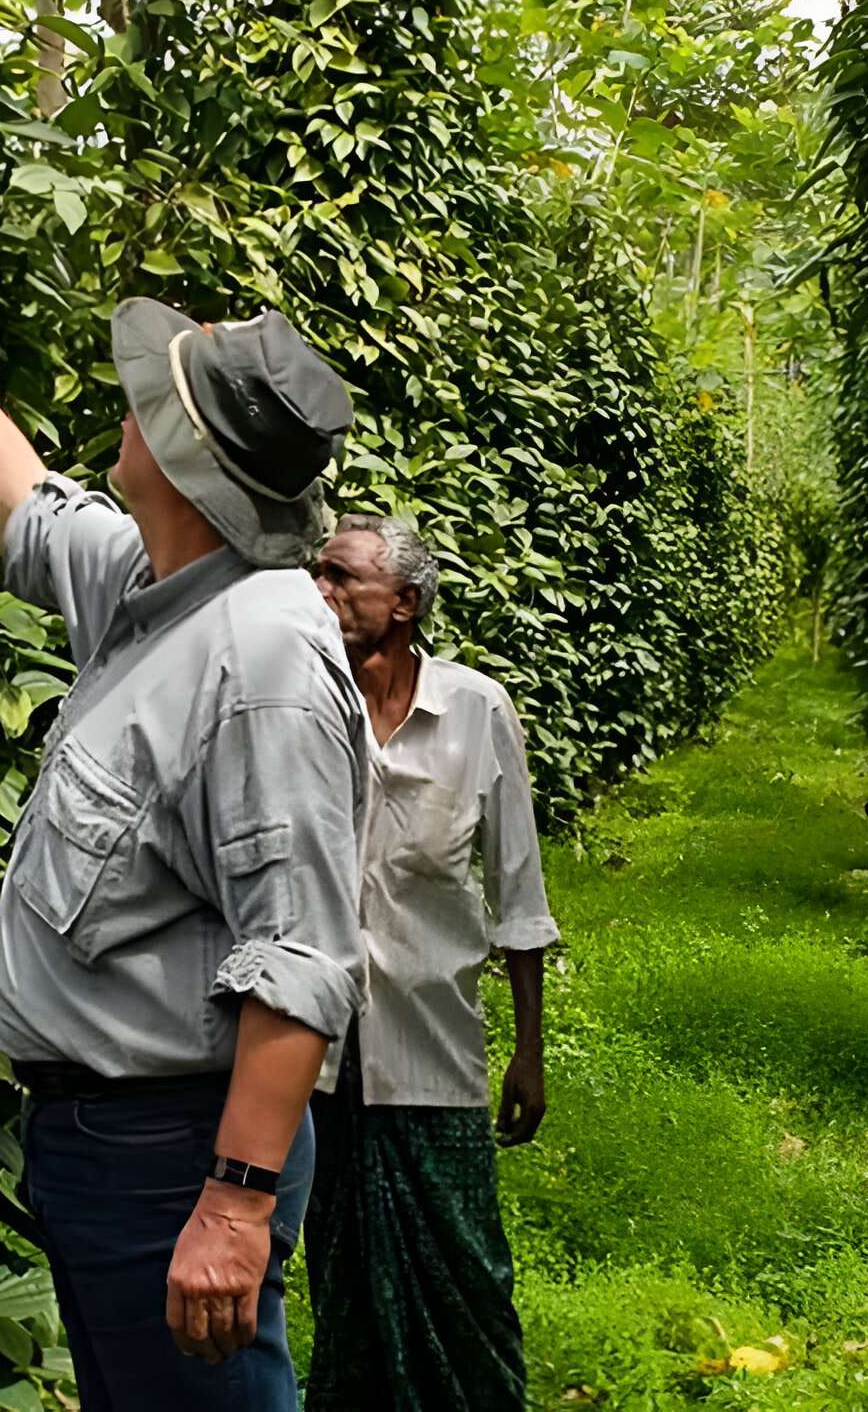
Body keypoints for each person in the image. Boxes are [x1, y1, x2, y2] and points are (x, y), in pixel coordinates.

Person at [0, 182, 368, 1409]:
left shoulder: (261, 663)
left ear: (188, 465)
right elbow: (22, 509)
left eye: (156, 405)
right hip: (102, 1143)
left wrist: (234, 1208)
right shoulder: (161, 580)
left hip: (174, 1151)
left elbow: (298, 955)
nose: (129, 409)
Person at [303, 514, 558, 1411]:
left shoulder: (475, 711)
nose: (321, 589)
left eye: (342, 576)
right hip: (320, 1057)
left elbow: (517, 893)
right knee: (340, 1280)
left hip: (436, 1053)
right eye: (318, 573)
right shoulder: (300, 705)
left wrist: (527, 1051)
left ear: (404, 603)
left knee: (466, 1277)